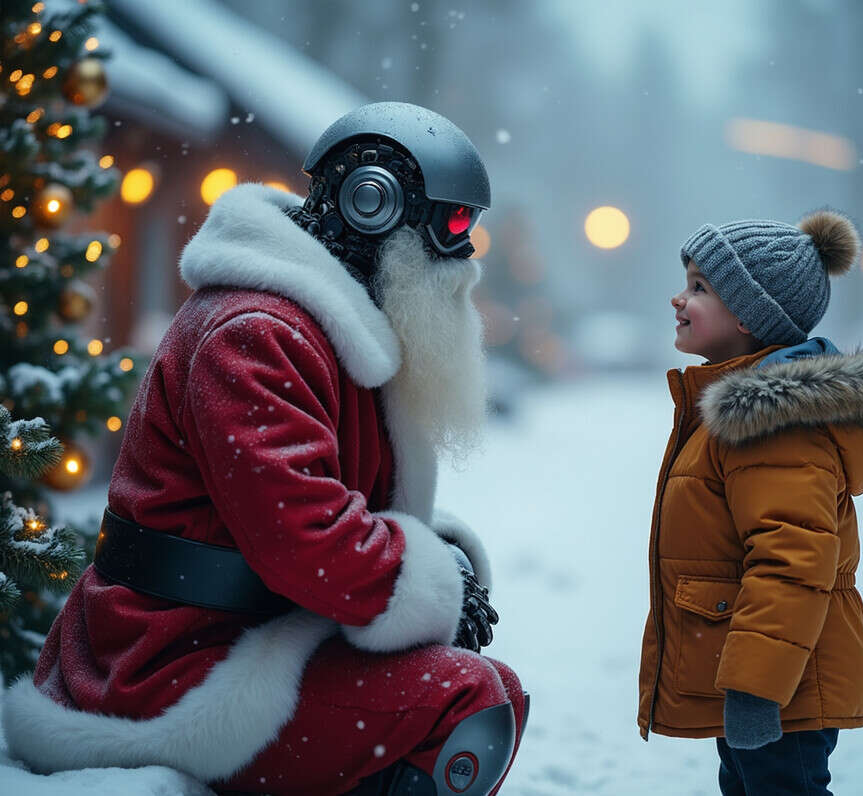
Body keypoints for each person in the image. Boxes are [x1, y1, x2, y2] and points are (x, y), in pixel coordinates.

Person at [4, 102, 526, 796]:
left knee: (497, 695)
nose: (462, 260)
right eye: (451, 226)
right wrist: (432, 583)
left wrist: (439, 564)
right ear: (373, 204)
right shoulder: (256, 333)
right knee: (466, 702)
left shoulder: (323, 325)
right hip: (169, 662)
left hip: (252, 634)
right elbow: (304, 537)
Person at [637, 210, 863, 795]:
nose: (677, 298)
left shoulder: (773, 425)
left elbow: (791, 559)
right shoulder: (734, 411)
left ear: (750, 315)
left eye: (699, 287)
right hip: (759, 677)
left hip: (780, 688)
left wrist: (757, 688)